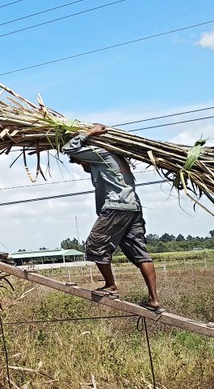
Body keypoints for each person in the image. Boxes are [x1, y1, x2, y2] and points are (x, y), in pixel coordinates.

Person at [62, 124, 163, 313]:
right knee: (140, 252)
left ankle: (110, 285)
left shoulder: (101, 154)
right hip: (133, 208)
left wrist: (89, 133)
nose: (81, 164)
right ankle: (154, 300)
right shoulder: (119, 159)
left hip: (117, 207)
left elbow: (68, 148)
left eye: (80, 161)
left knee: (94, 244)